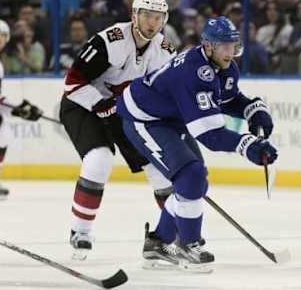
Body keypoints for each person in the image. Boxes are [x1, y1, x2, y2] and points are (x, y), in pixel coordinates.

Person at [116, 16, 278, 269]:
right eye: (224, 46)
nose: (230, 52)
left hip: (170, 118)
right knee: (191, 176)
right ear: (208, 46)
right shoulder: (193, 73)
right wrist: (248, 145)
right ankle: (188, 245)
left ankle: (158, 242)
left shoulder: (224, 67)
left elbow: (228, 99)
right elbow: (211, 136)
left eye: (233, 46)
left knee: (194, 178)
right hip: (144, 120)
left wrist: (253, 109)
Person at [59, 0, 177, 260]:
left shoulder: (166, 51)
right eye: (146, 15)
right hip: (83, 106)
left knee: (161, 168)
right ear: (133, 15)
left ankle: (167, 237)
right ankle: (81, 231)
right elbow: (72, 84)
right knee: (99, 158)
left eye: (157, 17)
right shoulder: (110, 40)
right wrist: (104, 107)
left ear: (164, 20)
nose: (152, 22)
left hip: (126, 112)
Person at [0, 18, 43, 198]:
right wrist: (19, 108)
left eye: (3, 35)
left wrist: (18, 109)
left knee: (1, 128)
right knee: (0, 127)